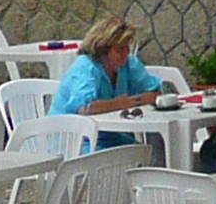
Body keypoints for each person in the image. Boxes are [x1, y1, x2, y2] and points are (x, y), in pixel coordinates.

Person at [51, 15, 170, 147]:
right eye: (120, 49)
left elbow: (156, 92)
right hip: (72, 139)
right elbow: (85, 108)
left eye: (127, 48)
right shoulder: (85, 67)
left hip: (108, 135)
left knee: (145, 151)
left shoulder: (129, 64)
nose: (125, 53)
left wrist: (134, 101)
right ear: (103, 49)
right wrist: (119, 103)